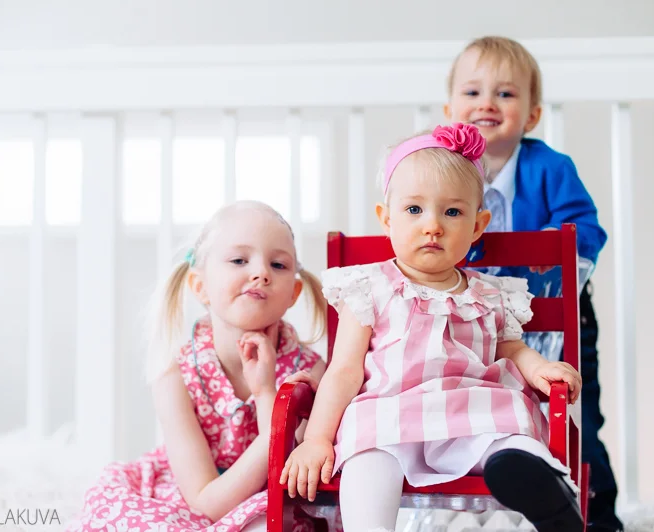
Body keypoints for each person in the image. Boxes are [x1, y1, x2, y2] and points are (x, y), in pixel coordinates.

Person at [280, 124, 584, 532]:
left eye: (452, 212)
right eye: (414, 210)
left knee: (513, 441)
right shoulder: (369, 287)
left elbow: (511, 349)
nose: (433, 226)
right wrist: (317, 437)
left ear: (477, 226)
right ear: (386, 219)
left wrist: (539, 366)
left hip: (473, 413)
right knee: (366, 459)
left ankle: (544, 489)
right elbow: (344, 370)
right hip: (390, 418)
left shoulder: (491, 293)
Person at [444, 35, 620, 532]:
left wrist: (551, 244)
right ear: (450, 109)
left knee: (578, 417)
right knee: (479, 406)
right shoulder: (444, 171)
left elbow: (587, 229)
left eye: (505, 93)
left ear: (532, 115)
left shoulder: (551, 167)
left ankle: (598, 517)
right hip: (483, 322)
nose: (487, 104)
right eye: (472, 92)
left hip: (558, 313)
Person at [68, 200, 328, 532]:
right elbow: (205, 503)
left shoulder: (310, 373)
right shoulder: (174, 374)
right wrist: (273, 430)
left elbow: (283, 475)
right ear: (200, 286)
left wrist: (267, 394)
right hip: (194, 499)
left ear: (294, 292)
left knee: (273, 523)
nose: (261, 272)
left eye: (278, 264)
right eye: (239, 260)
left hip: (270, 499)